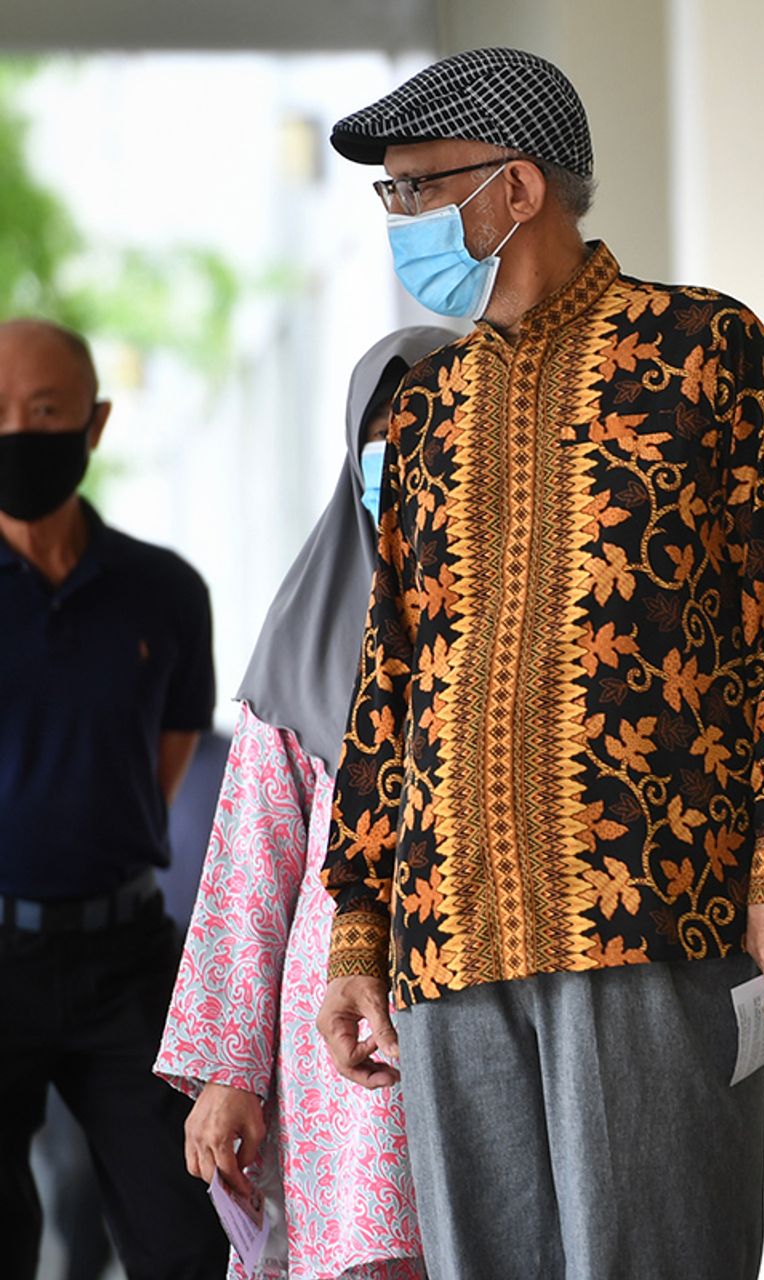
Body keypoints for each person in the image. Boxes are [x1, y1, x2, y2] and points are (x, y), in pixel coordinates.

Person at [314, 49, 764, 1279]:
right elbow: (390, 669)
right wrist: (354, 922)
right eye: (388, 197)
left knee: (659, 1255)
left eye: (417, 190)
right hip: (447, 928)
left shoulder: (708, 348)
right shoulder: (421, 411)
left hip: (654, 899)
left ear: (518, 188)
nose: (401, 222)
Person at [155, 327, 454, 1280]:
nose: (404, 457)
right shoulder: (306, 637)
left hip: (504, 1017)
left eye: (432, 427)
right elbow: (251, 874)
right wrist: (230, 1073)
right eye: (384, 432)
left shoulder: (543, 622)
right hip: (346, 1039)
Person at [0, 318, 228, 1278]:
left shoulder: (163, 592)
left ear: (93, 425)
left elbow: (162, 766)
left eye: (44, 411)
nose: (18, 432)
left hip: (126, 960)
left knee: (187, 1228)